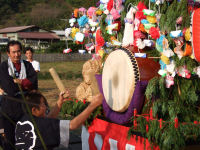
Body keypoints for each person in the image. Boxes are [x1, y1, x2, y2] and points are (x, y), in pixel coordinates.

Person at [15, 90, 103, 149]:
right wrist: (92, 105)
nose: (45, 107)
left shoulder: (22, 121)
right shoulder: (42, 123)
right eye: (43, 104)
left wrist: (59, 103)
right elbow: (72, 125)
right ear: (34, 109)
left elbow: (48, 121)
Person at [0, 40, 38, 149]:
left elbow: (34, 82)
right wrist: (26, 83)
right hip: (9, 106)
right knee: (9, 139)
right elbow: (9, 87)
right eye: (13, 52)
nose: (17, 54)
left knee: (27, 138)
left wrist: (20, 82)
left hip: (25, 107)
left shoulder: (27, 65)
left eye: (18, 51)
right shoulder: (4, 66)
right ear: (8, 53)